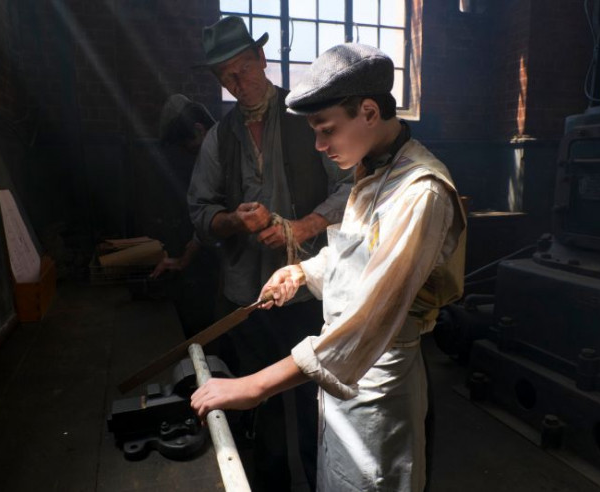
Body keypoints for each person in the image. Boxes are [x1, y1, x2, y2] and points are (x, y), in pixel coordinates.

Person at [190, 43, 467, 492]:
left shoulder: (420, 193)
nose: (319, 145)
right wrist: (303, 272)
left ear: (369, 112)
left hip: (377, 385)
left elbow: (367, 325)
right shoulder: (372, 171)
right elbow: (354, 256)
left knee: (367, 481)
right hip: (339, 380)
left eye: (326, 130)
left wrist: (255, 386)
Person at [187, 16, 352, 492]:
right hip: (250, 301)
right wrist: (234, 221)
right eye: (226, 78)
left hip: (309, 296)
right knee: (258, 406)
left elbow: (351, 188)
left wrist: (304, 226)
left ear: (261, 59)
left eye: (243, 70)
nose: (238, 84)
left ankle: (323, 481)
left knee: (316, 404)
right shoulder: (220, 137)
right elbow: (199, 212)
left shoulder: (309, 120)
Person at [147, 94, 219, 339]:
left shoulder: (227, 154)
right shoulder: (211, 156)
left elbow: (215, 221)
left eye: (190, 147)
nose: (192, 155)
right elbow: (207, 225)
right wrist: (182, 260)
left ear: (199, 130)